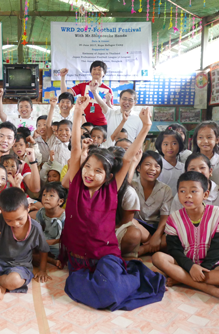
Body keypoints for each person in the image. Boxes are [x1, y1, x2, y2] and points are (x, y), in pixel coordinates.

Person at [60, 95, 165, 311]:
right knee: (86, 288)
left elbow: (127, 159)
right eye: (88, 167)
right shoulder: (76, 184)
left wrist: (145, 127)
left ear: (108, 177)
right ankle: (107, 283)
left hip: (104, 255)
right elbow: (77, 150)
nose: (89, 173)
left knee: (110, 292)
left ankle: (125, 278)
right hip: (79, 259)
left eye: (98, 171)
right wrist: (77, 115)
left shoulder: (111, 190)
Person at [152, 171, 219, 302]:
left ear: (205, 194)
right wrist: (191, 267)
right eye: (182, 191)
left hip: (213, 266)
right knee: (158, 258)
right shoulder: (174, 218)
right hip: (186, 263)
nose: (187, 196)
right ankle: (206, 288)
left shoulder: (218, 213)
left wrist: (203, 268)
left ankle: (182, 279)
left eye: (194, 191)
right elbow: (174, 249)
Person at [131, 151, 173, 256]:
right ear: (138, 168)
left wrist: (157, 235)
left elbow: (165, 217)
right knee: (130, 222)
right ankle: (153, 246)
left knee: (174, 236)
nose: (153, 169)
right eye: (147, 164)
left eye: (157, 166)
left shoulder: (165, 189)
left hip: (157, 229)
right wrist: (153, 240)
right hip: (137, 227)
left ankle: (144, 249)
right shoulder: (131, 185)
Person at [60, 61, 114, 128]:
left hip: (102, 124)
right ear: (91, 72)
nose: (96, 71)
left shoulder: (108, 90)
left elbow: (111, 110)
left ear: (104, 73)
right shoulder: (83, 86)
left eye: (99, 69)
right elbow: (64, 94)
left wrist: (108, 101)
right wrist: (63, 77)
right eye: (94, 69)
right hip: (84, 123)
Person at [33, 182, 67, 268]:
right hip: (45, 241)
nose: (46, 198)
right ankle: (53, 261)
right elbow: (38, 231)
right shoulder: (41, 212)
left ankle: (54, 259)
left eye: (51, 196)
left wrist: (43, 244)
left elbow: (63, 240)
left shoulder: (64, 217)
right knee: (27, 251)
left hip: (58, 245)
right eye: (44, 195)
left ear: (60, 201)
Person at [192, 121, 219, 186]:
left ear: (217, 140)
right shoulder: (190, 160)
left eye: (209, 137)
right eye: (200, 137)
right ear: (196, 139)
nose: (205, 141)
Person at [155, 129, 185, 196]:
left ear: (180, 145)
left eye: (174, 143)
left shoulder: (184, 168)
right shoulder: (156, 168)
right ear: (160, 146)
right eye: (165, 144)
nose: (170, 147)